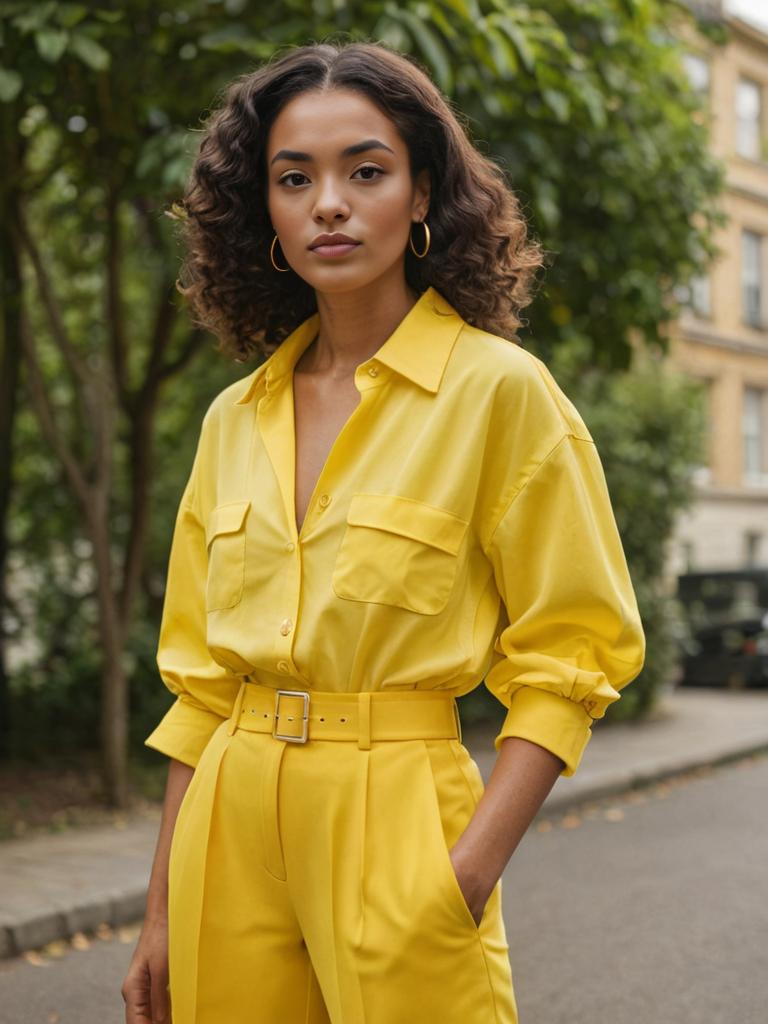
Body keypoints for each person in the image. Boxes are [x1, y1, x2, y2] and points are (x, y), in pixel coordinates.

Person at [122, 39, 646, 1024]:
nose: (329, 201)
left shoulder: (499, 393)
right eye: (294, 177)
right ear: (265, 215)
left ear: (420, 197)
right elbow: (200, 688)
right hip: (226, 834)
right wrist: (158, 914)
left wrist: (467, 871)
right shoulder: (234, 418)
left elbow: (573, 648)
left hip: (401, 816)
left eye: (366, 171)